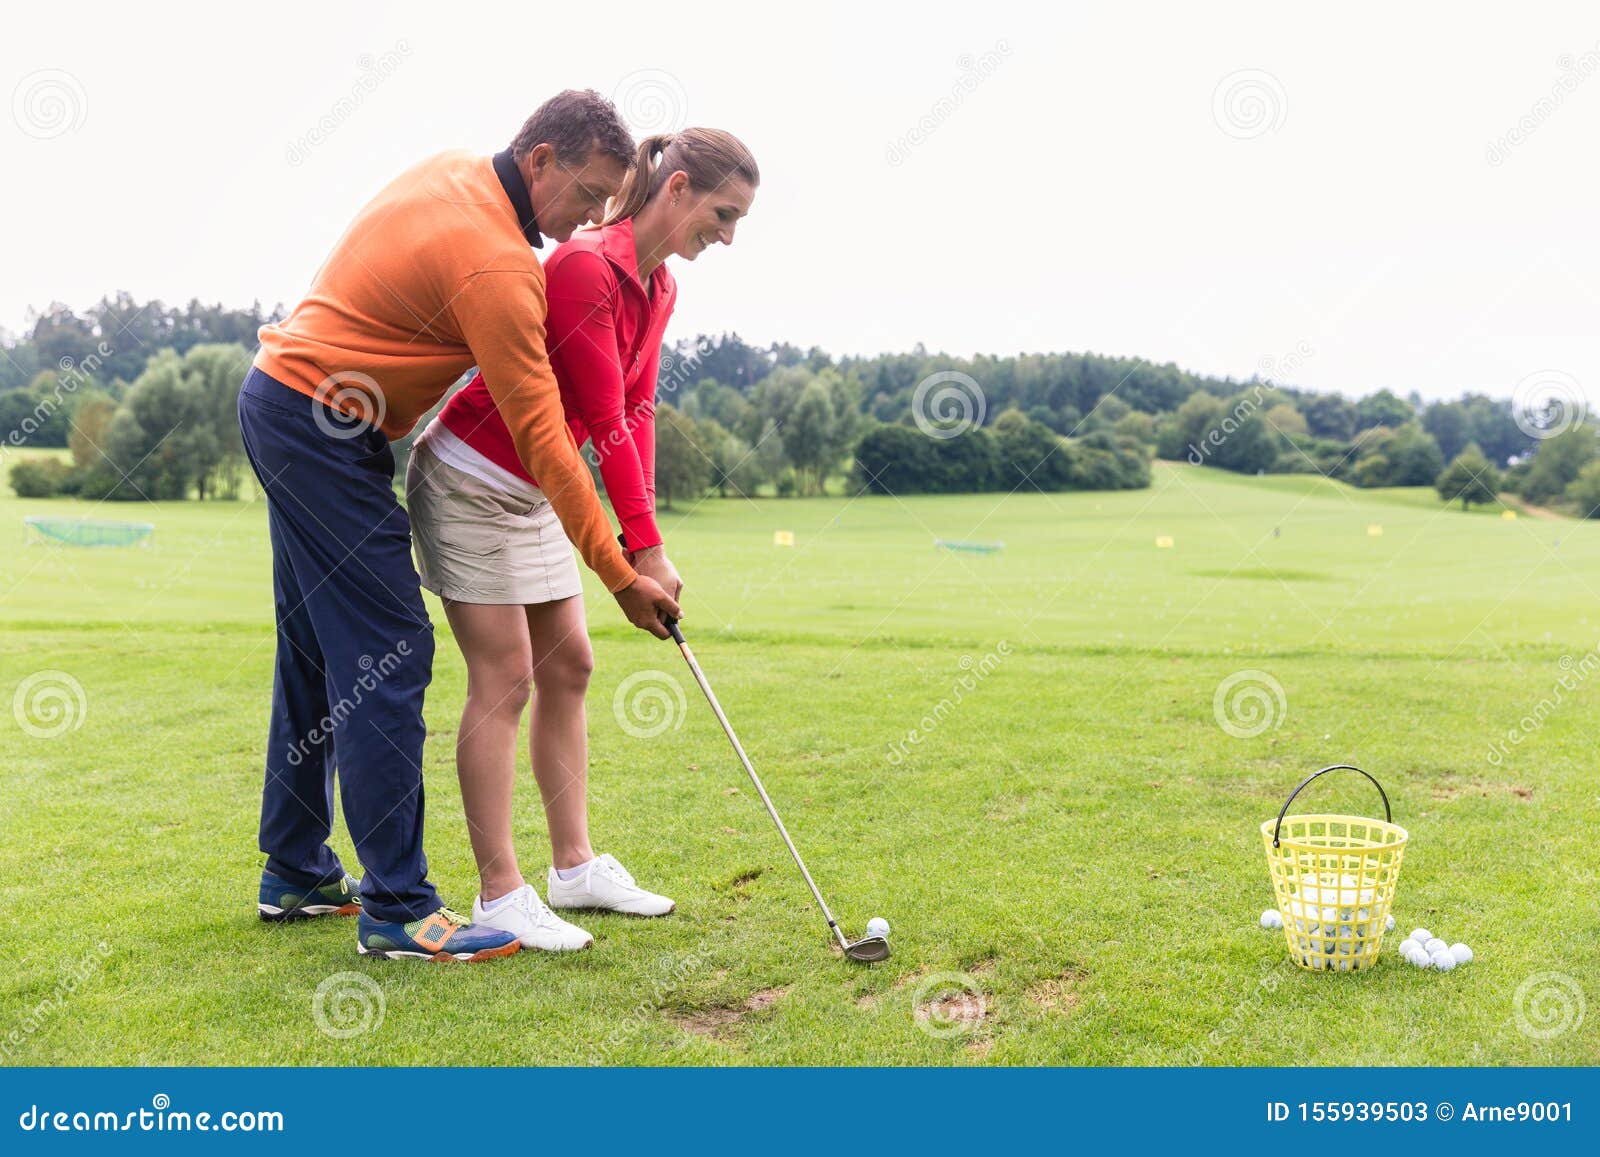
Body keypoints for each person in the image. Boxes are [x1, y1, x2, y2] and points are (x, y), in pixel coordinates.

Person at [237, 89, 681, 963]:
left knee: (316, 646)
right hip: (318, 424)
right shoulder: (499, 266)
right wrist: (619, 571)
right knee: (391, 647)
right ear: (541, 160)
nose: (594, 215)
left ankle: (295, 868)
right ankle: (400, 909)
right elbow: (547, 439)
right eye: (588, 193)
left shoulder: (457, 171)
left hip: (290, 403)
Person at [404, 129, 758, 950]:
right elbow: (602, 418)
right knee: (505, 678)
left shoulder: (659, 285)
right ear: (677, 189)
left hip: (539, 488)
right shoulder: (584, 267)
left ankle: (574, 866)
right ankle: (500, 893)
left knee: (571, 665)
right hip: (470, 478)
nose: (729, 236)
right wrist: (641, 550)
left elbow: (637, 411)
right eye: (724, 214)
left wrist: (647, 539)